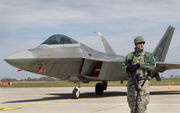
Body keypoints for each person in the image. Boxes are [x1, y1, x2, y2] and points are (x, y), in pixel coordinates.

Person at [121, 36, 156, 113]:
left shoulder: (148, 55)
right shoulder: (129, 56)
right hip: (132, 83)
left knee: (141, 105)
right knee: (132, 105)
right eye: (140, 43)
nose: (142, 44)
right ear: (136, 44)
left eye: (143, 43)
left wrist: (140, 64)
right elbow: (123, 67)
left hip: (143, 82)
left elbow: (153, 66)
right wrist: (128, 68)